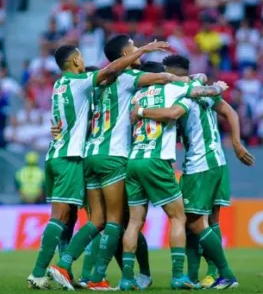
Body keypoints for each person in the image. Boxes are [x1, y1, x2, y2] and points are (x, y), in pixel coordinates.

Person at [59, 36, 204, 290]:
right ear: (127, 52)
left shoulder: (95, 85)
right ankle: (98, 276)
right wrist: (189, 80)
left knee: (104, 221)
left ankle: (71, 267)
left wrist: (57, 130)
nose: (139, 50)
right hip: (116, 157)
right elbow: (164, 79)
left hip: (89, 156)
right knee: (119, 221)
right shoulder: (128, 79)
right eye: (135, 47)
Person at [27, 40, 169, 289]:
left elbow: (73, 111)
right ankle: (58, 270)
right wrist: (149, 53)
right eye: (80, 56)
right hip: (81, 157)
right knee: (108, 220)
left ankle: (74, 272)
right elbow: (110, 72)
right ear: (75, 61)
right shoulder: (93, 82)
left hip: (75, 155)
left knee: (93, 219)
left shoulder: (61, 85)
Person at [111, 61, 227, 290]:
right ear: (161, 76)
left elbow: (195, 78)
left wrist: (194, 77)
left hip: (134, 161)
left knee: (134, 222)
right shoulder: (172, 90)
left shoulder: (136, 96)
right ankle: (177, 275)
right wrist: (220, 87)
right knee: (178, 218)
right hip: (156, 161)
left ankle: (126, 278)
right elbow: (202, 90)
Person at [148, 55, 254, 289]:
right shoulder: (198, 87)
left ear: (170, 73)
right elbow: (231, 113)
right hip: (218, 161)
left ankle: (225, 274)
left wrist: (142, 112)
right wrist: (236, 144)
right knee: (209, 220)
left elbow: (171, 114)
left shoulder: (178, 89)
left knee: (193, 222)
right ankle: (205, 275)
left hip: (200, 164)